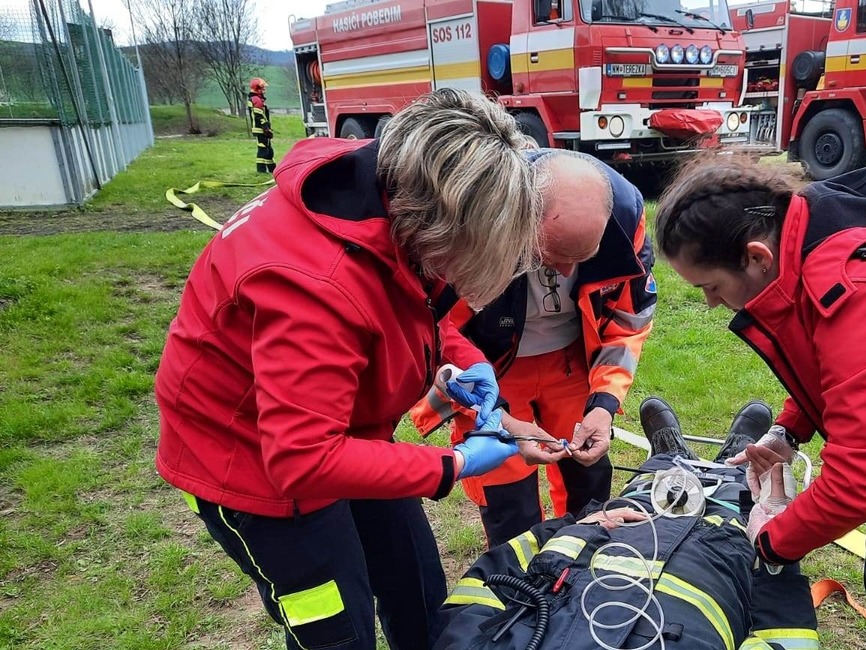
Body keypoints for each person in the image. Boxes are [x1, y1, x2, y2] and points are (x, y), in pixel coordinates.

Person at [154, 88, 554, 650]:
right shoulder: (309, 284)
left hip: (344, 433)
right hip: (253, 468)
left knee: (416, 588)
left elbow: (409, 299)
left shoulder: (390, 193)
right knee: (337, 631)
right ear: (435, 219)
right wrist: (455, 462)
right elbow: (303, 458)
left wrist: (466, 359)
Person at [434, 397, 820, 650]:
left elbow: (479, 590)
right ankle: (736, 458)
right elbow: (787, 641)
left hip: (615, 534)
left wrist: (581, 527)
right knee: (740, 502)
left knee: (648, 492)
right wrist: (776, 558)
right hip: (719, 555)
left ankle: (667, 456)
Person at [412, 149, 656, 549]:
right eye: (555, 256)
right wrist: (499, 416)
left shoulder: (625, 219)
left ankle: (583, 568)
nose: (563, 272)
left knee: (589, 479)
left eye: (582, 259)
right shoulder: (473, 220)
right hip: (489, 369)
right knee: (506, 492)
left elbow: (630, 321)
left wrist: (604, 404)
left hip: (572, 364)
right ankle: (519, 588)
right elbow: (436, 334)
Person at [654, 155, 866, 584]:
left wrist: (771, 540)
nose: (711, 303)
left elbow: (857, 477)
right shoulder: (807, 227)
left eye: (711, 286)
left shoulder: (851, 289)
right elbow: (837, 370)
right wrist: (788, 430)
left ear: (756, 256)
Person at [247, 77, 275, 173]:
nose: (264, 90)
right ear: (258, 89)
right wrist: (266, 128)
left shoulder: (257, 99)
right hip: (260, 129)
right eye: (263, 88)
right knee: (263, 149)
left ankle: (272, 169)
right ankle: (261, 170)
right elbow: (259, 116)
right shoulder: (257, 100)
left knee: (268, 150)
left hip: (261, 129)